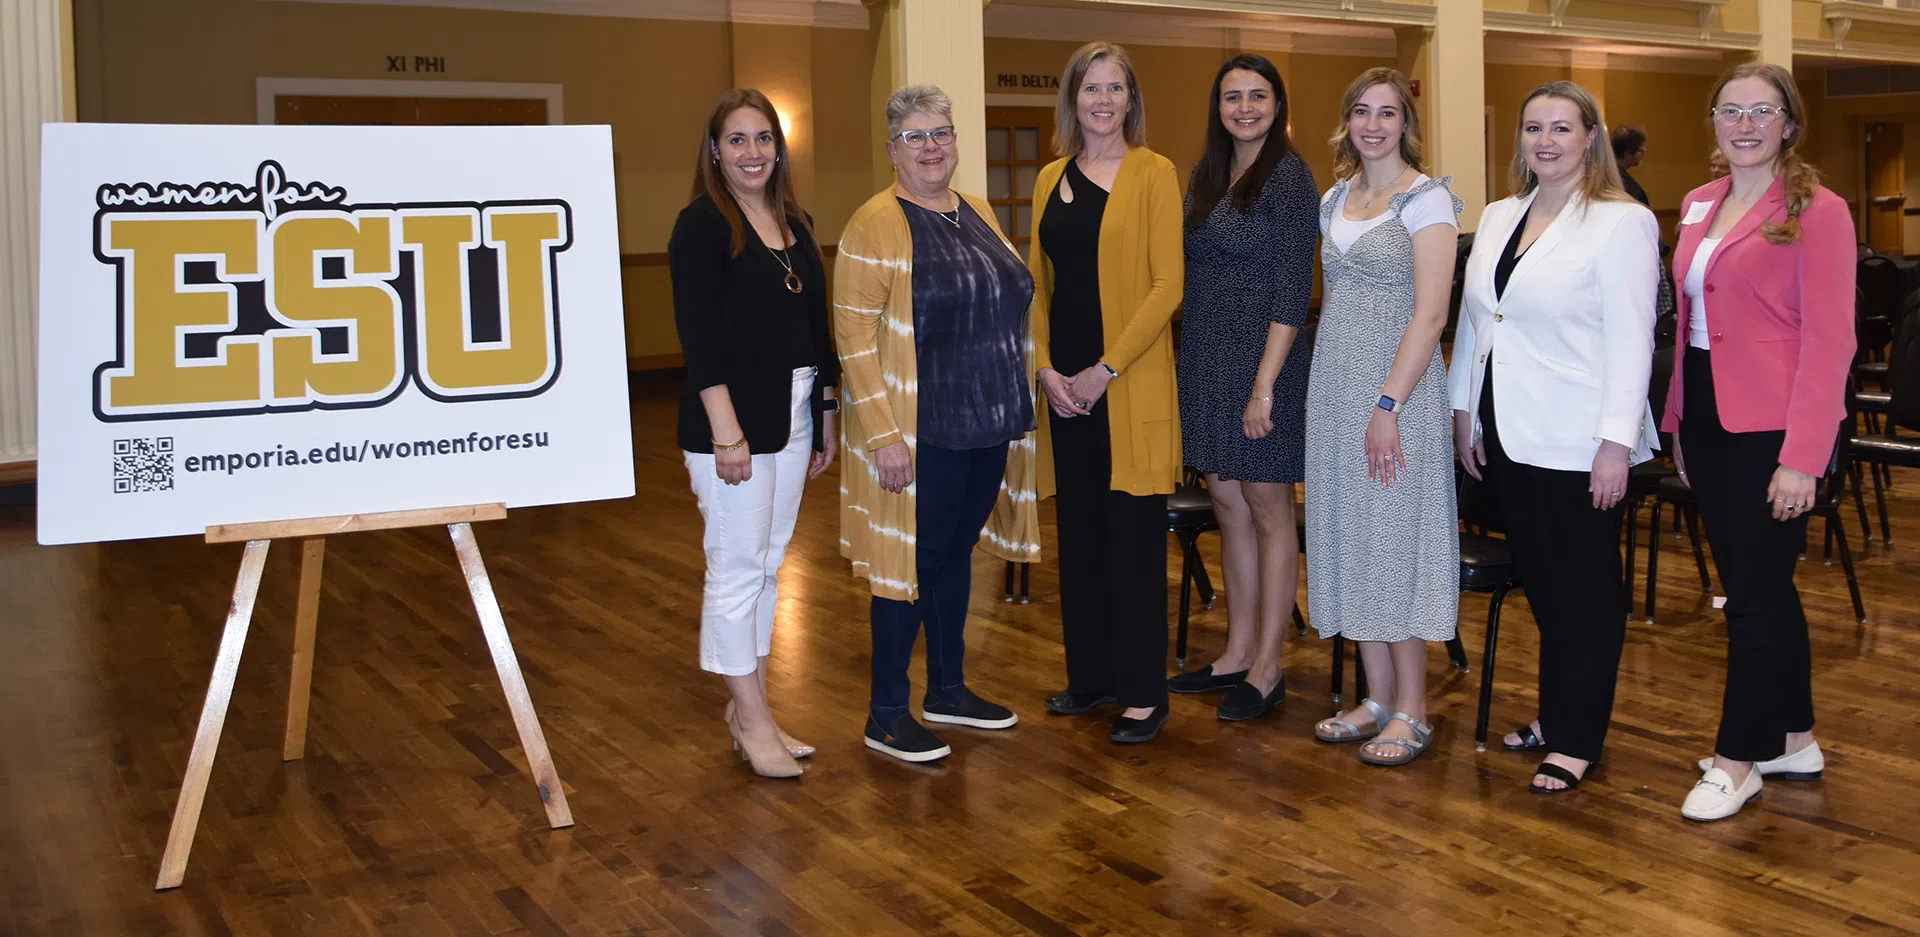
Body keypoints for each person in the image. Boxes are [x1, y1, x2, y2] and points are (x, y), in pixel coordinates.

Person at [1450, 81, 1661, 793]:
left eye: (1561, 128)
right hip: (1507, 429)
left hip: (1579, 437)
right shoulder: (1502, 212)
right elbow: (1480, 322)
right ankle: (1557, 711)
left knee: (1585, 591)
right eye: (1534, 127)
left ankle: (1577, 737)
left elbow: (1634, 340)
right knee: (1543, 584)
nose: (1546, 140)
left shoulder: (1619, 220)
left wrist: (1614, 441)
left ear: (1590, 137)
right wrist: (1462, 411)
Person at [1665, 63, 1855, 821]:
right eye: (1731, 111)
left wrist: (1804, 454)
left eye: (1762, 112)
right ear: (1713, 122)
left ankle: (1740, 759)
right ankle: (1793, 737)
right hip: (1708, 415)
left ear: (1789, 124)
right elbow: (1689, 322)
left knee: (1749, 594)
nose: (1745, 125)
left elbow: (1831, 340)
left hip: (1776, 427)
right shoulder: (1698, 202)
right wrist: (1680, 418)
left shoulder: (1820, 209)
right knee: (1764, 585)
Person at [832, 85, 1041, 764]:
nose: (931, 147)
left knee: (954, 558)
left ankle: (948, 689)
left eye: (941, 133)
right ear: (892, 149)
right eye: (916, 136)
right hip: (923, 432)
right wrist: (885, 434)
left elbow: (1011, 299)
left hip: (987, 422)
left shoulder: (976, 209)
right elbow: (854, 337)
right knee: (913, 563)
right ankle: (887, 711)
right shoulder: (874, 222)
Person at [668, 89, 839, 780]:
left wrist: (826, 405)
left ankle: (752, 710)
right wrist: (726, 432)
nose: (752, 152)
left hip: (794, 410)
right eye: (737, 140)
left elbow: (813, 328)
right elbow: (699, 337)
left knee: (768, 564)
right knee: (736, 569)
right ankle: (751, 716)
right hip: (732, 422)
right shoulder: (702, 224)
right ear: (715, 150)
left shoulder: (793, 220)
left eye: (763, 138)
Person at [1028, 41, 1184, 744]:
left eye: (1115, 88)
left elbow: (1166, 287)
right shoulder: (1047, 178)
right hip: (1065, 392)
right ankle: (1089, 676)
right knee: (1082, 538)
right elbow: (1036, 286)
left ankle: (1145, 692)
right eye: (1091, 88)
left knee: (1133, 543)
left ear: (1130, 99)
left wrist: (1104, 368)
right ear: (1074, 98)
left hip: (1126, 387)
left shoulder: (1154, 173)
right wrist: (1046, 368)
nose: (1102, 100)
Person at [1305, 68, 1461, 766]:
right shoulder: (1335, 196)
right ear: (1347, 120)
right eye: (1362, 111)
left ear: (1406, 124)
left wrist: (1388, 403)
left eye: (1388, 113)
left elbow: (1431, 314)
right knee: (1347, 533)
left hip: (1398, 395)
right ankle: (1373, 697)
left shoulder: (1426, 201)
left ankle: (1413, 708)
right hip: (1334, 388)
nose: (1374, 124)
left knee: (1396, 541)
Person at [1166, 53, 1318, 722]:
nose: (1245, 107)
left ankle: (1268, 664)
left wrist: (1264, 386)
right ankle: (1233, 652)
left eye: (1258, 95)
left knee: (1267, 507)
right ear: (1218, 106)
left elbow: (1294, 289)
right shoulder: (1203, 171)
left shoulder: (1290, 178)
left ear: (1278, 104)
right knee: (1226, 504)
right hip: (1205, 357)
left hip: (1266, 363)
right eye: (1233, 96)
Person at [1612, 124, 1651, 207]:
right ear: (1627, 154)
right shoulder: (1627, 187)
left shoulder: (1607, 174)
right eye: (1641, 150)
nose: (1644, 152)